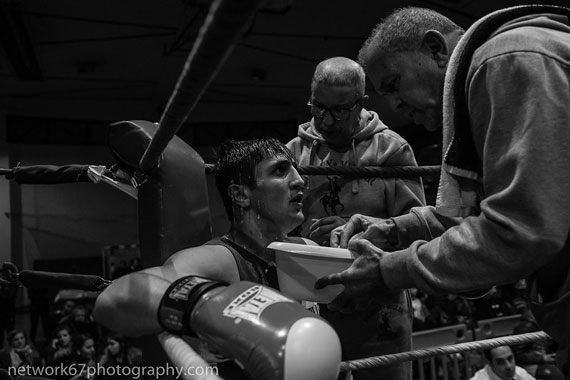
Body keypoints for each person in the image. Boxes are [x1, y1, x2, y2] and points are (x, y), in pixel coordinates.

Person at [314, 5, 570, 376]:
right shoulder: (503, 64)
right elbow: (473, 215)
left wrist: (388, 270)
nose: (394, 105)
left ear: (436, 49)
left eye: (392, 83)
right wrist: (395, 229)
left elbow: (521, 230)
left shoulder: (507, 60)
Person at [94, 138, 314, 379]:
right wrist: (202, 306)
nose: (299, 180)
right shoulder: (220, 260)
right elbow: (111, 300)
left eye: (295, 169)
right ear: (240, 195)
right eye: (280, 171)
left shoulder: (308, 250)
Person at [287, 56, 425, 380]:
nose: (326, 120)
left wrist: (356, 232)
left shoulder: (392, 150)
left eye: (339, 110)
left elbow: (418, 230)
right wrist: (306, 238)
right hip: (315, 299)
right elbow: (277, 228)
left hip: (379, 305)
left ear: (361, 103)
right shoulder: (292, 152)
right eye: (318, 107)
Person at [470, 345, 535, 380]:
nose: (508, 366)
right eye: (500, 362)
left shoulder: (520, 373)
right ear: (490, 364)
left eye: (510, 358)